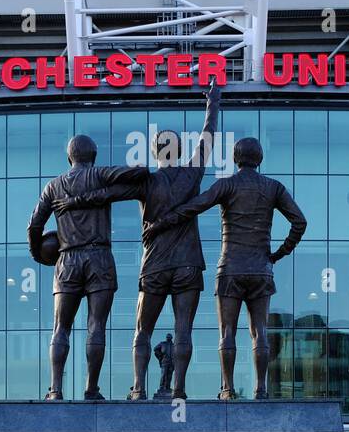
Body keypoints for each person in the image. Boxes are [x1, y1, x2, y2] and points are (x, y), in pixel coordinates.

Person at [54, 84, 220, 399]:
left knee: (142, 331)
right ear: (182, 151)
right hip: (188, 264)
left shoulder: (147, 181)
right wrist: (213, 102)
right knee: (183, 329)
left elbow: (107, 194)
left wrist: (74, 202)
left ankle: (140, 389)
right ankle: (179, 390)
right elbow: (208, 136)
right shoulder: (193, 173)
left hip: (155, 265)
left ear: (156, 153)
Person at [144, 137, 307, 400]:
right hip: (260, 268)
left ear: (235, 158)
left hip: (230, 267)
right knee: (260, 332)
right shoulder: (273, 187)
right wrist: (278, 253)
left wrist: (162, 222)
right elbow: (300, 221)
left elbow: (194, 206)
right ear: (260, 159)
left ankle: (228, 389)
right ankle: (261, 390)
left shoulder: (227, 185)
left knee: (227, 332)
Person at [28, 139, 148, 400]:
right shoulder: (100, 174)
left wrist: (38, 254)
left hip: (67, 259)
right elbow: (141, 172)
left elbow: (34, 225)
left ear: (69, 158)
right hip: (99, 257)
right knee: (97, 325)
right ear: (93, 156)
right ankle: (91, 389)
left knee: (61, 327)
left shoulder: (53, 186)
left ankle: (55, 390)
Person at [154, 334, 176, 398]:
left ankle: (168, 387)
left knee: (169, 375)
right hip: (165, 361)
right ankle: (162, 387)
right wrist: (160, 356)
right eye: (167, 337)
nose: (168, 338)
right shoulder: (162, 344)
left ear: (171, 338)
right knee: (163, 374)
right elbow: (155, 349)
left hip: (171, 362)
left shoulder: (174, 345)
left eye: (169, 337)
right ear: (166, 338)